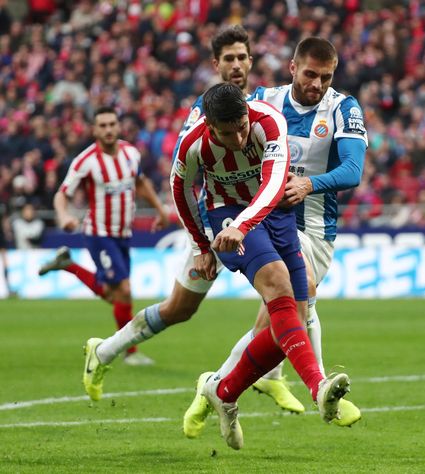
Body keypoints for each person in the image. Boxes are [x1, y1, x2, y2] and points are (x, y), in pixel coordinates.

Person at [77, 26, 306, 415]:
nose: (236, 65)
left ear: (251, 60)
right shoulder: (203, 114)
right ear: (216, 64)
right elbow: (183, 176)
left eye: (241, 57)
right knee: (180, 308)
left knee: (279, 288)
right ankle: (104, 350)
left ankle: (267, 377)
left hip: (259, 219)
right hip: (216, 222)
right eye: (227, 59)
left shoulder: (266, 103)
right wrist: (202, 242)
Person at [183, 36, 367, 434]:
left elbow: (353, 170)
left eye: (326, 77)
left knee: (277, 322)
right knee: (290, 296)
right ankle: (319, 388)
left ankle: (217, 388)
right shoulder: (267, 100)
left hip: (314, 225)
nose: (317, 84)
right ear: (293, 69)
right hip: (259, 217)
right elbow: (221, 130)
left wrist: (310, 184)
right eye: (310, 75)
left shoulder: (343, 108)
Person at [38, 106, 168, 364]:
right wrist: (64, 217)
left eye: (112, 124)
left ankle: (68, 265)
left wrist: (160, 209)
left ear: (118, 126)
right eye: (103, 125)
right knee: (124, 290)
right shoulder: (86, 161)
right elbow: (62, 193)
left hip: (123, 233)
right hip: (99, 233)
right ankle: (129, 352)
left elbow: (140, 183)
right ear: (95, 129)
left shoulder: (130, 153)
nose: (108, 130)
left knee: (114, 294)